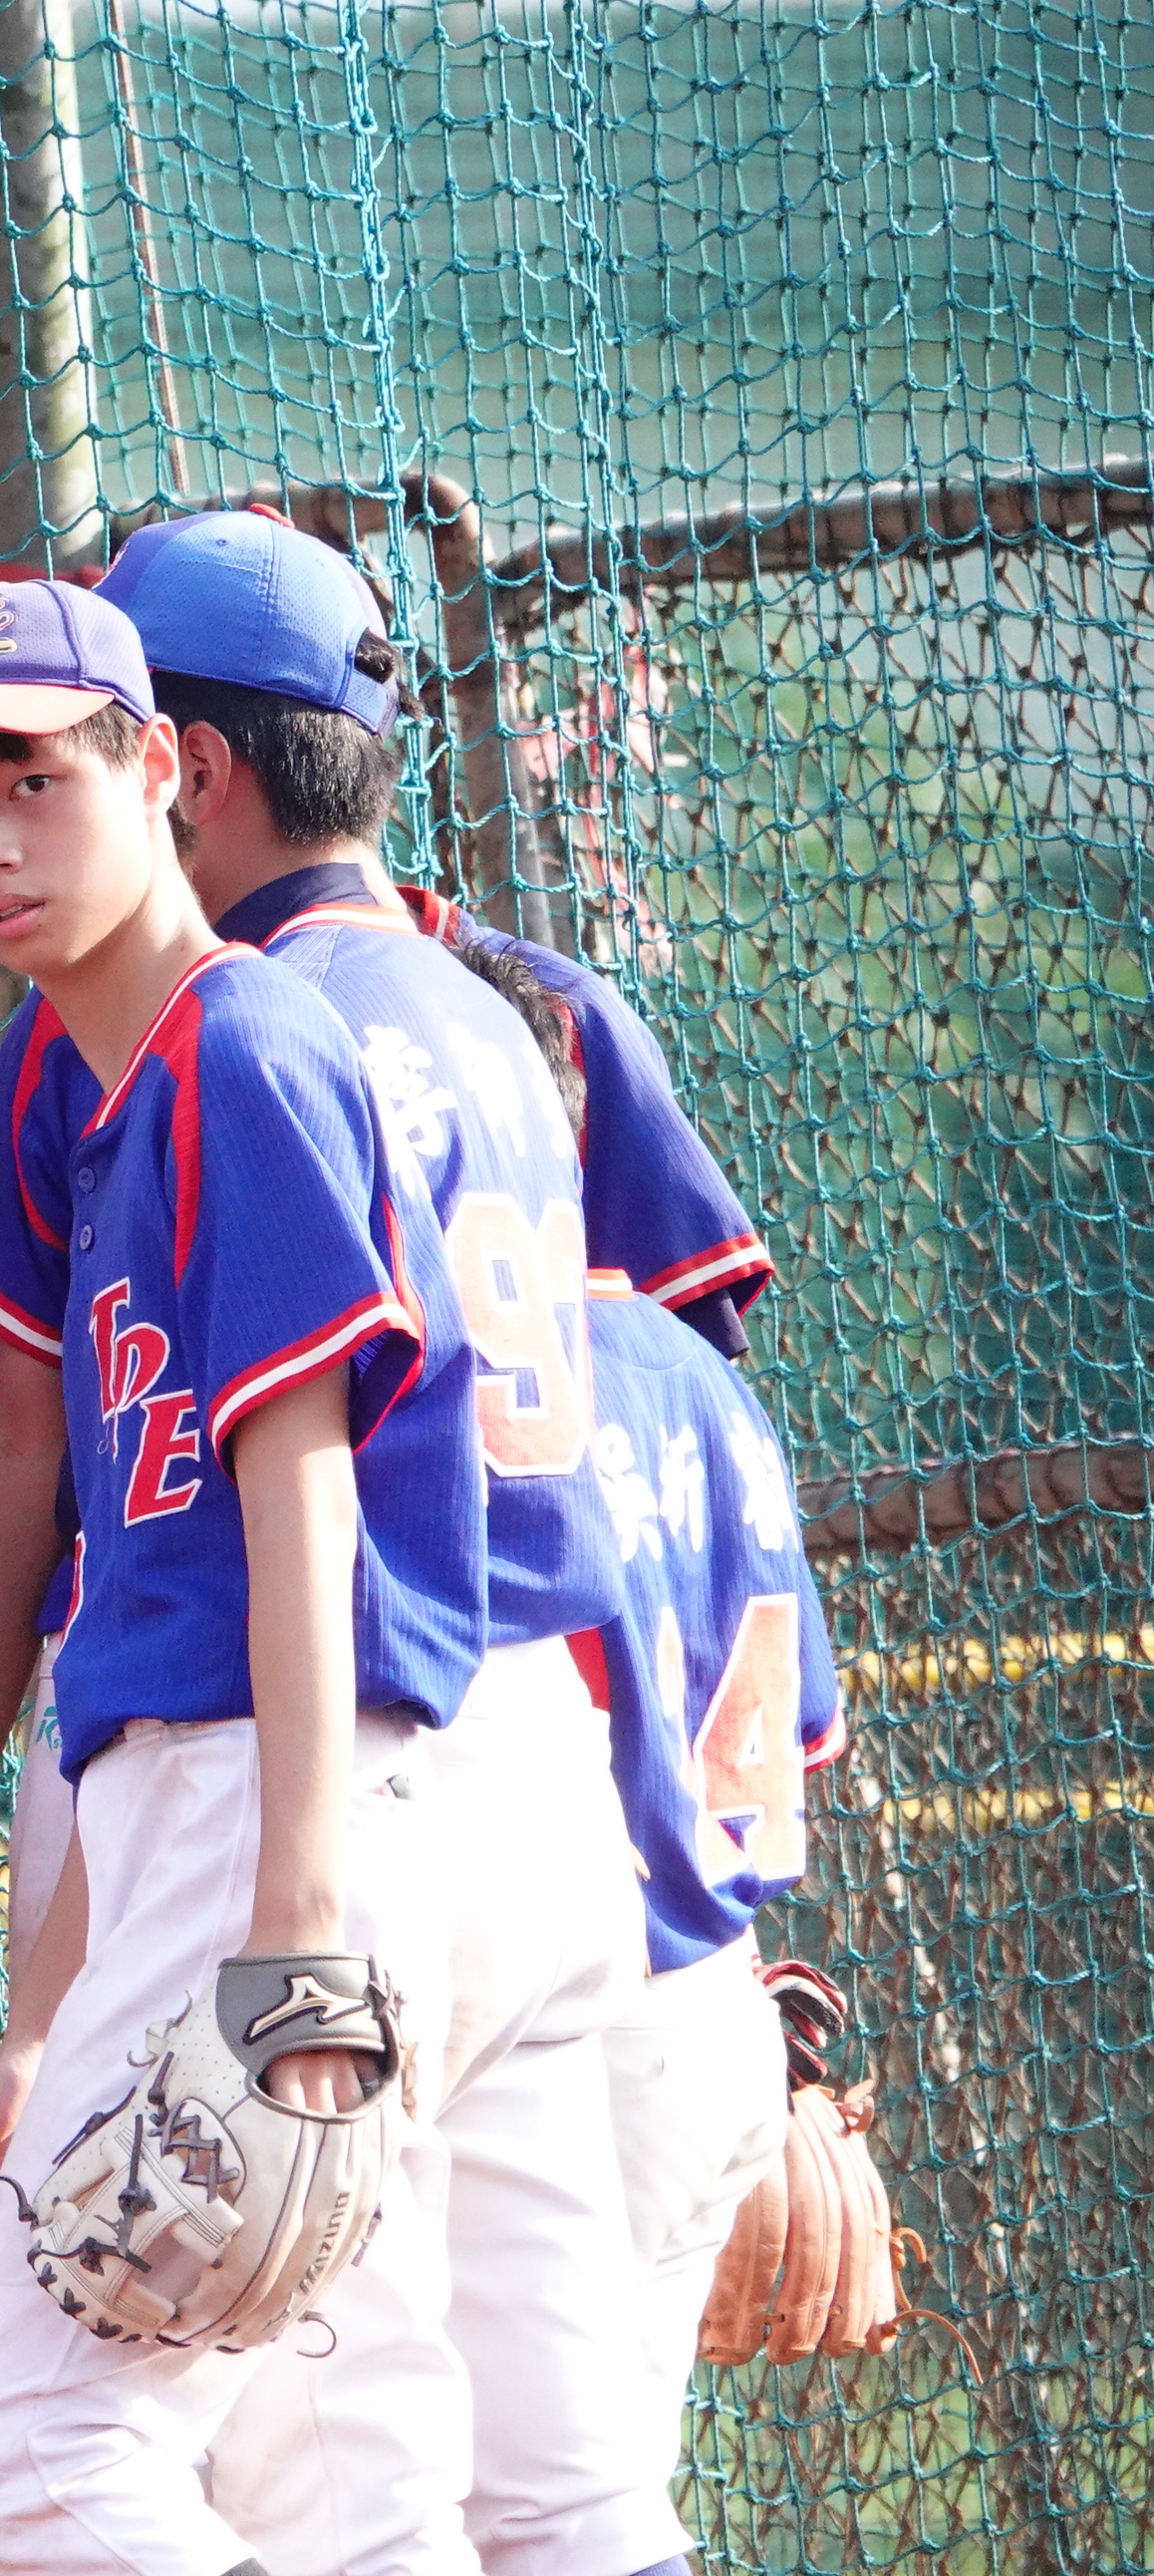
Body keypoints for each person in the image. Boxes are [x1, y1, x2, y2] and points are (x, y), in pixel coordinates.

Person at [0, 520, 673, 2576]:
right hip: (427, 1765)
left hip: (303, 1780)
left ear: (170, 764)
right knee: (421, 2476)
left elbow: (293, 1486)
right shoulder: (437, 1011)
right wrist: (47, 1995)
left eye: (33, 778)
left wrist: (299, 1917)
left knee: (45, 2456)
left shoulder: (230, 1040)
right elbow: (149, 1615)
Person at [491, 943, 834, 2548]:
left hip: (582, 2033)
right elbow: (787, 1742)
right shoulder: (706, 1379)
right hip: (713, 2015)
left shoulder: (488, 1374)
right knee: (595, 2504)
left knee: (529, 2521)